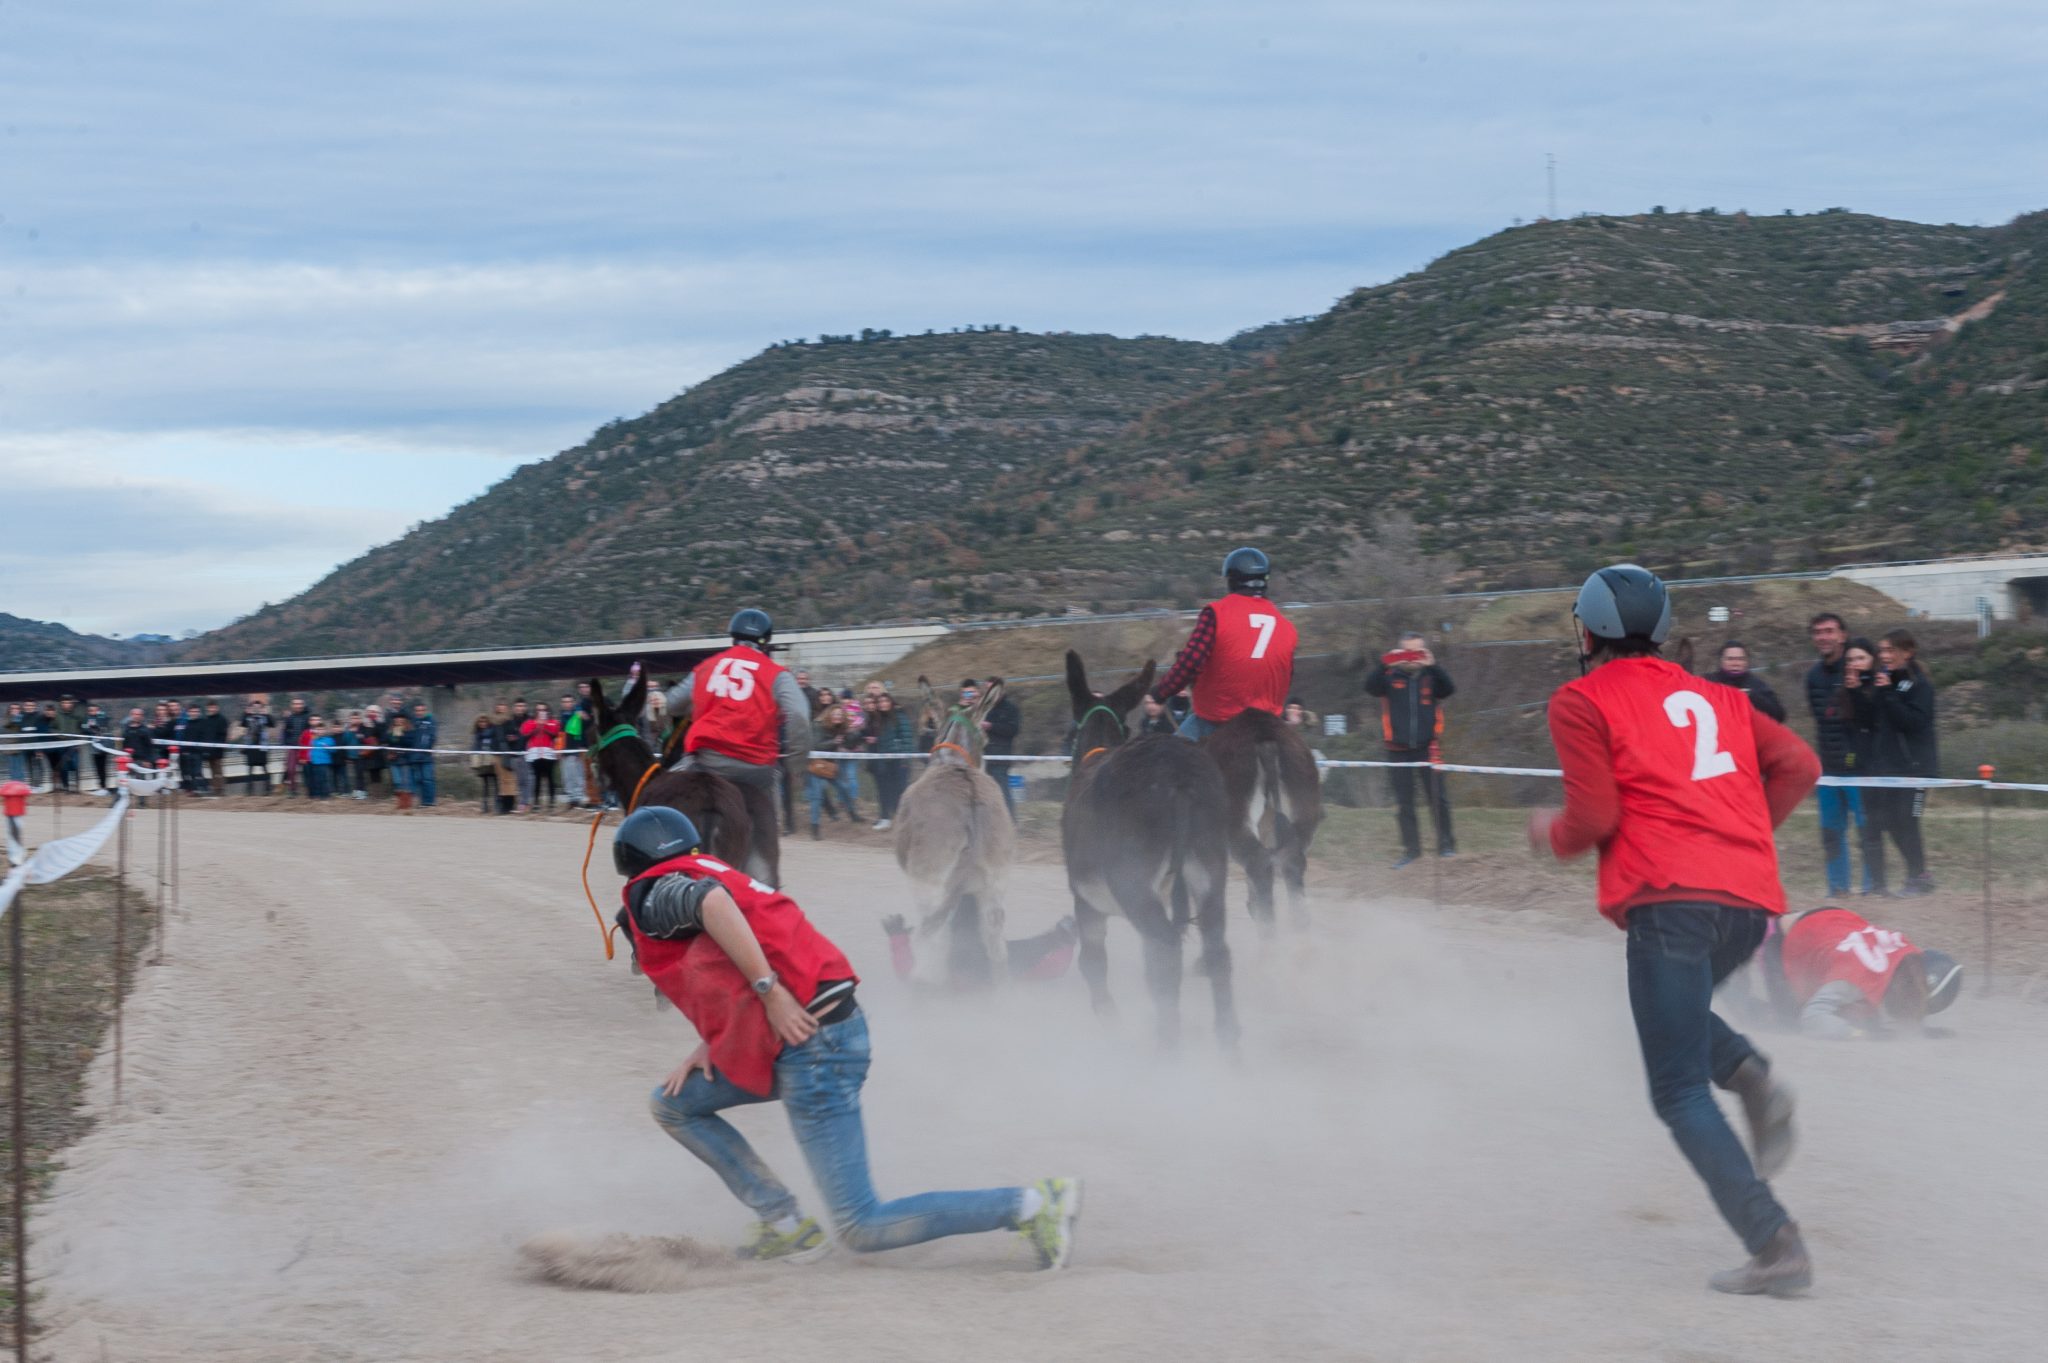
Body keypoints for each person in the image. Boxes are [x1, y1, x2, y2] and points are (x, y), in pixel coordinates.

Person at [610, 805, 1080, 1267]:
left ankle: (1033, 1205)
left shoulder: (653, 895)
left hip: (813, 1051)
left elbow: (711, 904)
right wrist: (710, 1045)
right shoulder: (706, 869)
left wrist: (769, 991)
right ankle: (784, 1223)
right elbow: (720, 961)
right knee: (673, 1103)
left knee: (861, 1224)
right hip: (819, 1036)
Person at [1529, 563, 1819, 1297]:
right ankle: (1749, 1071)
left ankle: (1774, 1242)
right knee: (1675, 1020)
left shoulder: (1580, 698)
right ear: (1659, 632)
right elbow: (1800, 763)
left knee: (1678, 1088)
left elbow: (1595, 817)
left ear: (1587, 631)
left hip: (1668, 899)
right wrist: (1741, 836)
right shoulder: (1721, 696)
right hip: (1746, 904)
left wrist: (1553, 833)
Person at [662, 609, 813, 880]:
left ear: (733, 638)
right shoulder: (778, 675)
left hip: (705, 762)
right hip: (755, 771)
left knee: (662, 799)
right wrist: (795, 763)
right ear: (766, 642)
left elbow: (673, 704)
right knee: (766, 827)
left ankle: (661, 866)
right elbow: (800, 717)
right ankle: (764, 879)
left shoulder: (708, 667)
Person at [1733, 905, 1962, 1039]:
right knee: (1790, 1023)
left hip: (1828, 920)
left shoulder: (1905, 955)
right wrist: (1860, 1035)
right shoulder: (1853, 979)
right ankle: (1736, 995)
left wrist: (1919, 1030)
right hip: (1778, 938)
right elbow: (1812, 1018)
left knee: (1859, 1013)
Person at [1151, 546, 1296, 740]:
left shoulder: (1217, 614)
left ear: (1231, 580)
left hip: (1216, 721)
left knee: (1168, 759)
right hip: (1268, 726)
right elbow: (1287, 676)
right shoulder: (1287, 628)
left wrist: (1161, 693)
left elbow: (1191, 662)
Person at [1845, 628, 1938, 896]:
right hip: (1893, 768)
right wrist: (1854, 693)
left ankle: (1918, 876)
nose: (1883, 656)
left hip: (1918, 769)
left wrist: (1888, 695)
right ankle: (1916, 876)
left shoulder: (1920, 685)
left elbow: (1914, 723)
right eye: (1881, 651)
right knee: (1892, 822)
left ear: (1907, 653)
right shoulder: (1886, 683)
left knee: (1907, 820)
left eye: (1889, 650)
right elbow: (1868, 722)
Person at [1364, 632, 1457, 866]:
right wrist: (1385, 663)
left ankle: (1446, 846)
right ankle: (1411, 851)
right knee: (1404, 802)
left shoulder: (1431, 677)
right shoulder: (1389, 676)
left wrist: (1433, 666)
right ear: (1399, 653)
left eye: (1417, 652)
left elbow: (1449, 689)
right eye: (1407, 652)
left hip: (1428, 748)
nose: (1411, 658)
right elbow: (1369, 687)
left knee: (1439, 799)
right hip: (1397, 749)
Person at [1803, 613, 1868, 897]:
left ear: (1842, 635)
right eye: (1818, 632)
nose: (1823, 637)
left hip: (1860, 766)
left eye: (1829, 631)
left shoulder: (1858, 666)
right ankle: (1838, 888)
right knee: (1831, 832)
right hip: (1827, 767)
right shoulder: (1812, 676)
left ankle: (1871, 886)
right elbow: (1820, 719)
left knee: (1867, 831)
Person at [861, 690, 915, 829]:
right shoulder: (879, 719)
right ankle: (886, 818)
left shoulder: (899, 716)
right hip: (884, 760)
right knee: (885, 790)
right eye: (880, 702)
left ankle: (906, 820)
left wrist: (905, 760)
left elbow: (907, 738)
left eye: (886, 701)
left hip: (899, 760)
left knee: (901, 791)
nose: (883, 704)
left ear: (891, 702)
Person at [1701, 642, 1787, 723]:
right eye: (1730, 659)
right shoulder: (1707, 682)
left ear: (1746, 662)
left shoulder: (1757, 685)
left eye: (1740, 659)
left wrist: (1752, 697)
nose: (1735, 663)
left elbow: (1779, 716)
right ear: (1721, 661)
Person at [980, 676, 1022, 818]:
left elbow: (1013, 730)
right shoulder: (983, 708)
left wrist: (991, 726)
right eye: (987, 689)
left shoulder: (1011, 708)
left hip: (1000, 757)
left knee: (1002, 791)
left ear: (1001, 690)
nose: (989, 693)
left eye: (992, 689)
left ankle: (1011, 821)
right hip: (982, 757)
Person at [523, 703, 563, 811]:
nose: (541, 712)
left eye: (543, 709)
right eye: (539, 710)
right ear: (535, 711)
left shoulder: (553, 722)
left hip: (548, 752)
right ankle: (536, 803)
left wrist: (544, 726)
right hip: (534, 752)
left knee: (550, 778)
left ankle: (552, 803)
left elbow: (555, 734)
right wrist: (536, 727)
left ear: (547, 711)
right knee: (537, 778)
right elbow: (525, 734)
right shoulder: (529, 722)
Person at [559, 693, 591, 809]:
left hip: (577, 749)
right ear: (562, 704)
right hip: (564, 750)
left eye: (569, 702)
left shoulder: (579, 714)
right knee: (567, 776)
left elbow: (586, 729)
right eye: (565, 702)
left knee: (578, 775)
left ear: (573, 703)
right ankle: (572, 799)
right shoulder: (562, 716)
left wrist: (583, 745)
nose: (567, 704)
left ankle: (580, 798)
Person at [239, 696, 275, 795]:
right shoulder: (248, 717)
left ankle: (268, 790)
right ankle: (249, 792)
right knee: (250, 770)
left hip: (262, 746)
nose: (256, 709)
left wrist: (267, 714)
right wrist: (246, 713)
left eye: (258, 707)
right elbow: (242, 724)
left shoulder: (264, 717)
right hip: (250, 746)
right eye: (254, 707)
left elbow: (272, 724)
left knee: (265, 769)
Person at [408, 700, 439, 807]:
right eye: (417, 710)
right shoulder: (411, 722)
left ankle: (430, 801)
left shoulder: (431, 721)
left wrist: (427, 748)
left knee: (428, 779)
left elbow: (433, 737)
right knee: (418, 779)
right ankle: (422, 802)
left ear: (425, 710)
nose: (419, 712)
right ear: (414, 711)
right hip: (414, 756)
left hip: (426, 755)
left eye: (422, 710)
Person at [280, 697, 311, 796]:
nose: (297, 706)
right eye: (295, 704)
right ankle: (293, 790)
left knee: (307, 770)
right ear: (292, 706)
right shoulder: (289, 718)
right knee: (291, 769)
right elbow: (285, 732)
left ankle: (309, 790)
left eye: (299, 704)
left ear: (303, 705)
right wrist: (286, 743)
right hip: (292, 747)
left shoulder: (307, 717)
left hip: (305, 747)